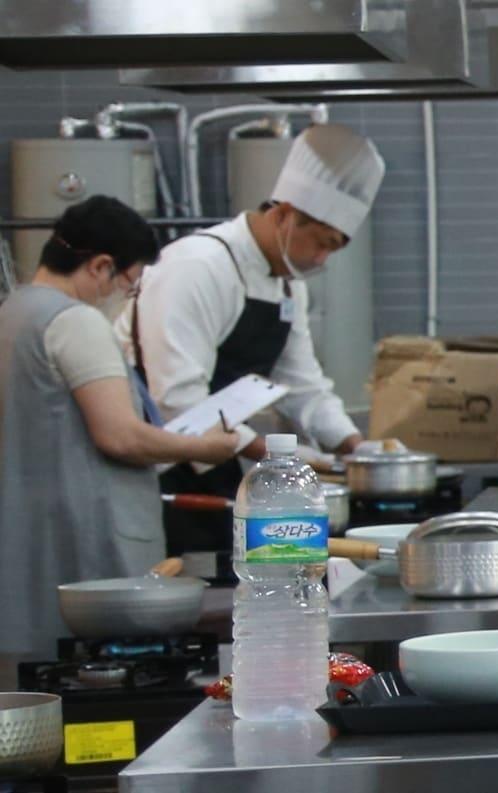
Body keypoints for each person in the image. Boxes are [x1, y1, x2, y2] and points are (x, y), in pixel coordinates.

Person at [0, 197, 239, 689]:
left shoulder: (13, 310)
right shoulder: (74, 322)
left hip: (26, 540)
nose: (124, 295)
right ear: (101, 266)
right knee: (101, 681)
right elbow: (119, 436)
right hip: (88, 544)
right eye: (129, 284)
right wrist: (204, 449)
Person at [114, 123, 385, 556]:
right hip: (152, 468)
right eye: (321, 243)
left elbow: (302, 384)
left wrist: (356, 447)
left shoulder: (285, 284)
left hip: (214, 461)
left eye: (333, 250)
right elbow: (177, 397)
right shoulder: (198, 266)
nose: (321, 259)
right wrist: (274, 454)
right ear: (285, 215)